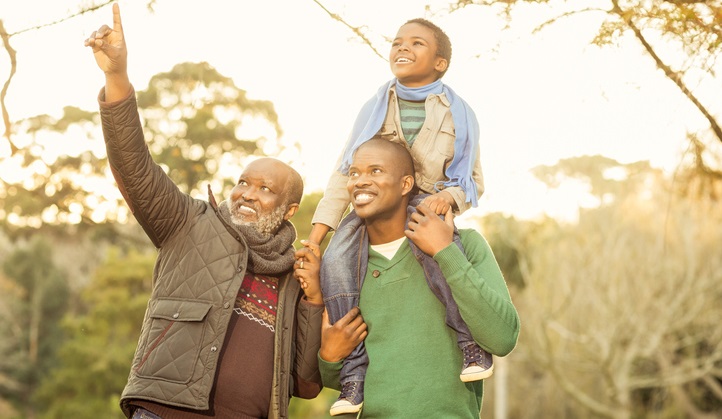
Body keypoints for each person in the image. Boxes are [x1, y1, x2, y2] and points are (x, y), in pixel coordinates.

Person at [84, 4, 324, 418]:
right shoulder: (189, 223)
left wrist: (315, 298)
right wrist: (116, 76)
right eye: (243, 182)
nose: (247, 194)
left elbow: (303, 381)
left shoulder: (296, 274)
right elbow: (134, 166)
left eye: (265, 189)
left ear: (290, 210)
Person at [301, 17, 488, 415]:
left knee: (441, 260)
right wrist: (317, 237)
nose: (402, 48)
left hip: (428, 205)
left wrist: (447, 203)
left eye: (416, 43)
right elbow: (344, 173)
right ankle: (352, 375)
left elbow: (472, 181)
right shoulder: (375, 107)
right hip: (378, 206)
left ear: (440, 62)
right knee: (336, 262)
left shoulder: (460, 113)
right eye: (397, 42)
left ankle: (470, 346)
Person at [316, 139, 520, 418]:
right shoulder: (341, 269)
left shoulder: (464, 245)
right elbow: (334, 381)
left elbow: (502, 338)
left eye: (375, 171)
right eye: (354, 173)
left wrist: (445, 252)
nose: (360, 181)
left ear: (406, 184)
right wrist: (329, 357)